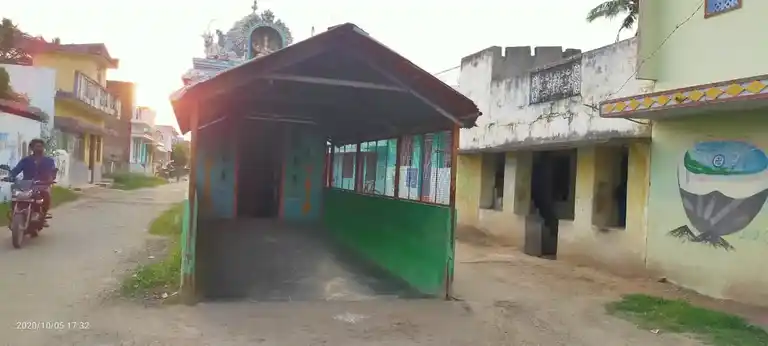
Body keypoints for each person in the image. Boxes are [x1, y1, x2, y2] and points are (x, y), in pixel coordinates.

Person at [7, 139, 57, 226]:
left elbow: (52, 172)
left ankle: (42, 216)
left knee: (46, 196)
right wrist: (10, 176)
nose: (39, 148)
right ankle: (14, 213)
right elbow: (17, 170)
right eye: (37, 146)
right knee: (15, 196)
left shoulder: (49, 161)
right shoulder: (25, 160)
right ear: (31, 148)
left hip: (42, 185)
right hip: (27, 185)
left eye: (41, 146)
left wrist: (51, 178)